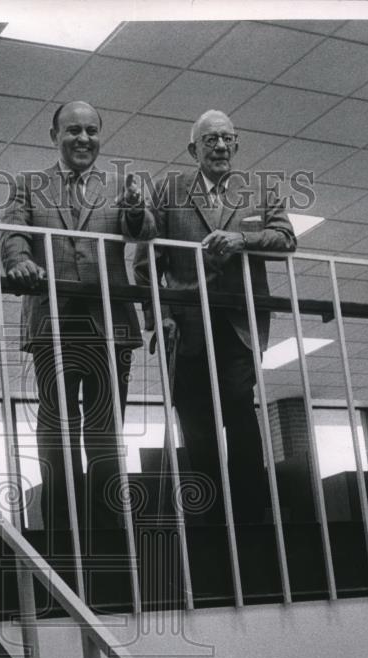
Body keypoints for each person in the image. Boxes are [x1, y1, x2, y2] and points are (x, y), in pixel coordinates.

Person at [0, 100, 155, 537]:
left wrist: (138, 209)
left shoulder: (121, 186)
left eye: (91, 131)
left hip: (110, 326)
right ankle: (64, 533)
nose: (83, 138)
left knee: (105, 433)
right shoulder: (28, 185)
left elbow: (143, 233)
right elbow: (13, 234)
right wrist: (19, 262)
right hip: (53, 323)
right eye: (73, 131)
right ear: (54, 136)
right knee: (56, 431)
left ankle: (107, 533)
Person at [134, 109, 296, 525]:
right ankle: (207, 522)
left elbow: (286, 238)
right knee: (196, 423)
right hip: (186, 324)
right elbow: (146, 261)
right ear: (194, 149)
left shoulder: (262, 190)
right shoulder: (168, 189)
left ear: (237, 144)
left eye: (227, 138)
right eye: (210, 139)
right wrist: (160, 315)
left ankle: (251, 520)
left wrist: (242, 239)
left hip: (238, 325)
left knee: (240, 415)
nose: (221, 146)